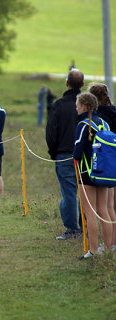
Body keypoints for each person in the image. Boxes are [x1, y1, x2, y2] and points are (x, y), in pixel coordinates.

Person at [46, 69, 84, 240]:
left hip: (64, 155)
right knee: (85, 191)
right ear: (82, 85)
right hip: (86, 156)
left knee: (69, 192)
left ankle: (72, 229)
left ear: (66, 83)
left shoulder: (59, 105)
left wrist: (54, 152)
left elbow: (51, 132)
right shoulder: (89, 104)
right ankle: (86, 227)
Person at [73, 92, 113, 259]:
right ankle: (109, 249)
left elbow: (77, 152)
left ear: (83, 106)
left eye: (77, 105)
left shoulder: (83, 125)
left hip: (87, 173)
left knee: (90, 212)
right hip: (104, 173)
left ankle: (94, 250)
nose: (76, 108)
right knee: (104, 210)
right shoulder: (105, 123)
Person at [87, 82, 116, 251]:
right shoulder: (114, 111)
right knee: (113, 207)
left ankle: (108, 244)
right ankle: (113, 243)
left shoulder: (98, 117)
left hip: (106, 162)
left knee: (107, 206)